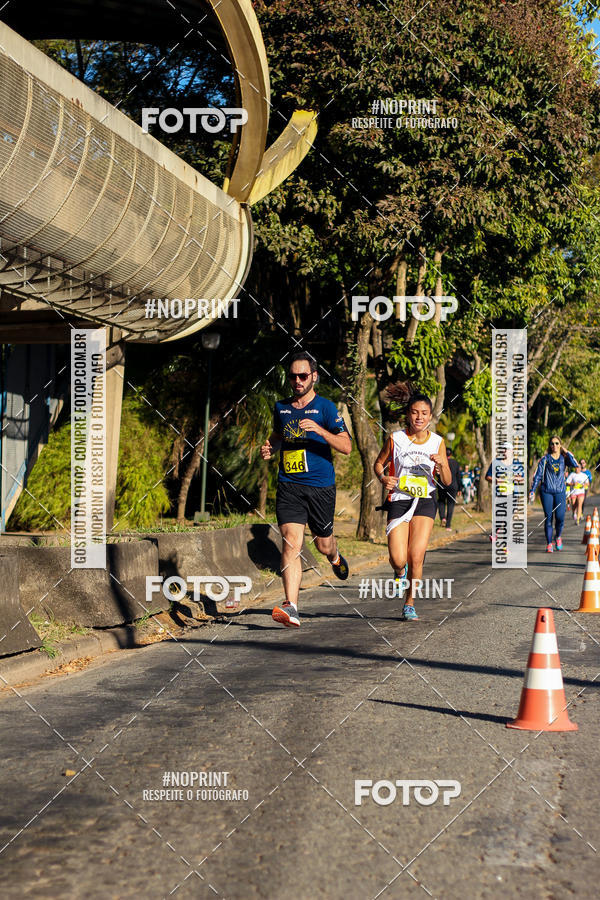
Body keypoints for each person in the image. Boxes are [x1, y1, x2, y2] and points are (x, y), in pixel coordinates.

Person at [260, 351, 352, 628]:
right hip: (289, 484)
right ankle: (291, 606)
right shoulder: (282, 407)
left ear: (314, 377)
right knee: (291, 542)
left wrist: (321, 431)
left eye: (303, 376)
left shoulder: (325, 408)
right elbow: (279, 435)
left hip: (320, 487)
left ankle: (335, 556)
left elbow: (346, 447)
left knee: (323, 543)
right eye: (293, 376)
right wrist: (271, 447)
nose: (298, 381)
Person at [373, 384, 452, 621]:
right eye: (415, 412)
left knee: (416, 555)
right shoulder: (395, 439)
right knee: (398, 558)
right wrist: (383, 477)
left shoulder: (437, 442)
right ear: (408, 414)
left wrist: (442, 465)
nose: (419, 417)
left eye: (424, 413)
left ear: (430, 416)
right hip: (399, 499)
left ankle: (409, 602)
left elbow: (446, 481)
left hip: (425, 501)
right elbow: (378, 463)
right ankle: (399, 571)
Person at [529, 435, 578, 552]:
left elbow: (575, 464)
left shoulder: (564, 458)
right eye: (552, 444)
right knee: (548, 518)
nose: (554, 446)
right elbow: (538, 476)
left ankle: (558, 537)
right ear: (549, 446)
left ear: (560, 445)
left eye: (557, 443)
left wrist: (565, 451)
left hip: (560, 492)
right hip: (547, 492)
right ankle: (549, 543)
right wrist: (532, 490)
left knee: (560, 517)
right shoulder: (545, 459)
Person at [485, 443, 525, 542]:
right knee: (500, 517)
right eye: (503, 449)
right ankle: (495, 532)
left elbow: (523, 479)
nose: (504, 451)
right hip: (499, 494)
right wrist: (496, 480)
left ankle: (505, 545)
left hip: (513, 495)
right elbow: (487, 477)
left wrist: (517, 478)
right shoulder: (496, 463)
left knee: (507, 519)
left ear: (512, 451)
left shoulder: (517, 464)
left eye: (507, 449)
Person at [437, 448, 462, 530]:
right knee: (451, 505)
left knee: (441, 502)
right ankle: (448, 525)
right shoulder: (455, 463)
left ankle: (442, 518)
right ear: (451, 454)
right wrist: (460, 489)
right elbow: (459, 476)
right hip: (453, 486)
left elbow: (437, 474)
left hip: (441, 485)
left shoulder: (441, 462)